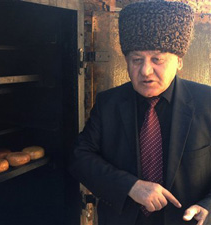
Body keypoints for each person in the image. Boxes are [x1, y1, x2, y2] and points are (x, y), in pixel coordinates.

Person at [69, 1, 211, 225]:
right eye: (136, 60)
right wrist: (130, 186)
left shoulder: (207, 102)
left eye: (157, 59)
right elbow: (80, 157)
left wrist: (208, 205)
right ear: (126, 60)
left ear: (179, 61)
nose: (145, 71)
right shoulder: (109, 103)